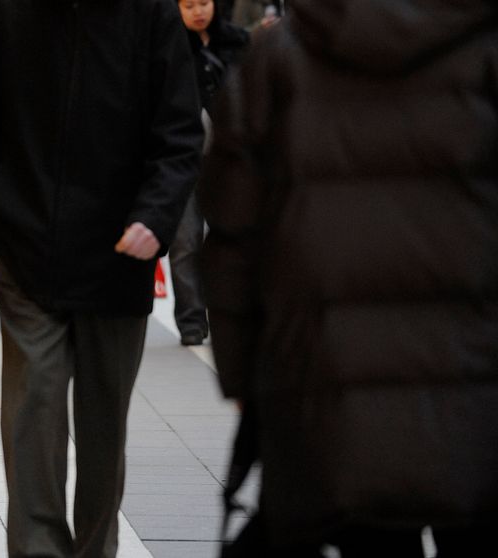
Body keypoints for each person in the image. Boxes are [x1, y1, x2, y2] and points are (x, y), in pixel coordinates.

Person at [201, 1, 498, 555]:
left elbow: (234, 233)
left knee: (369, 536)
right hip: (476, 389)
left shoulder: (280, 58)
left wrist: (243, 375)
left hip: (326, 383)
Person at [0, 1, 203, 555]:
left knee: (103, 420)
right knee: (34, 407)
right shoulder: (10, 14)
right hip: (21, 242)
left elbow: (180, 137)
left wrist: (155, 217)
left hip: (120, 252)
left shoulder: (152, 17)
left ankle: (97, 548)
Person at [168, 0, 248, 346]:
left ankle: (227, 316)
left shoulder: (238, 42)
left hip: (227, 159)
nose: (198, 11)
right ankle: (190, 321)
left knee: (227, 241)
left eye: (203, 3)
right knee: (185, 242)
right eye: (188, 5)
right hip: (181, 159)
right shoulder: (168, 46)